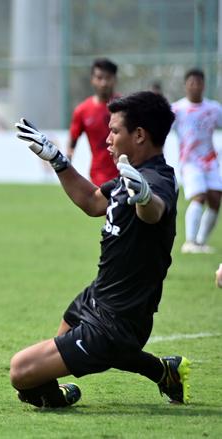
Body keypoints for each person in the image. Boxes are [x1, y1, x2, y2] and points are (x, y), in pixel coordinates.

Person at [10, 91, 190, 408]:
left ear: (139, 135)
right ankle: (164, 371)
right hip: (97, 295)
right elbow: (93, 201)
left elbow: (154, 210)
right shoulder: (128, 176)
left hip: (118, 321)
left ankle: (58, 397)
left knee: (21, 373)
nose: (107, 139)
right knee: (46, 364)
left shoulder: (157, 180)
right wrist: (57, 160)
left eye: (114, 131)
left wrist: (144, 197)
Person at [171, 68, 222, 254]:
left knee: (216, 199)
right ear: (186, 85)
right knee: (199, 196)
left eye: (198, 82)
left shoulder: (214, 108)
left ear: (204, 85)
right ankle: (189, 242)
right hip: (189, 162)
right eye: (191, 82)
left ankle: (200, 242)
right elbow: (163, 129)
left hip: (210, 162)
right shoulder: (177, 109)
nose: (195, 86)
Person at [67, 58, 120, 186]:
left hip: (127, 174)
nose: (103, 83)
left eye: (108, 77)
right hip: (99, 177)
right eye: (99, 77)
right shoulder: (82, 111)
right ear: (92, 79)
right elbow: (72, 143)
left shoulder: (126, 106)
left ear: (115, 79)